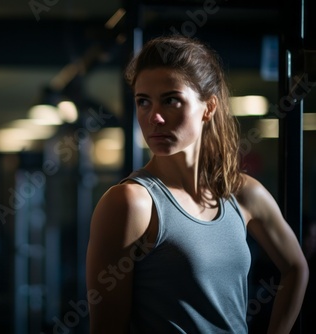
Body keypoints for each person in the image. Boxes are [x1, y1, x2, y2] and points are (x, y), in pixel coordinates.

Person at [86, 35, 309, 333]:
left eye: (171, 100)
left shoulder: (242, 193)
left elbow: (296, 268)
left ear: (209, 107)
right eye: (143, 102)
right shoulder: (131, 203)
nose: (154, 117)